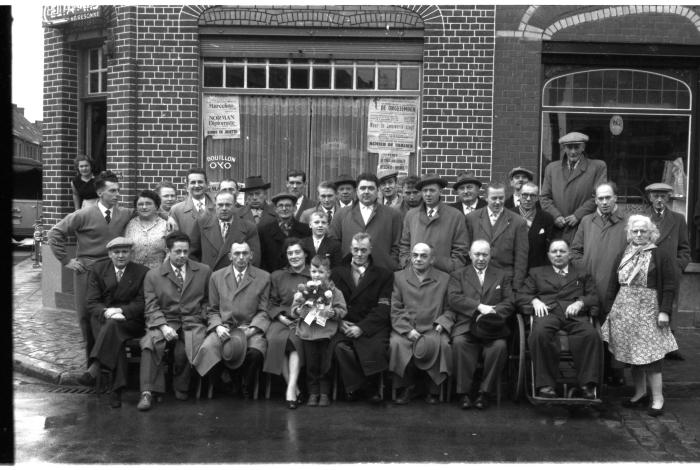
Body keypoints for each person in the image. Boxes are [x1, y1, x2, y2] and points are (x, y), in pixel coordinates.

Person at [48, 170, 132, 360]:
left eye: (118, 190)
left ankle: (111, 363)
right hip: (87, 270)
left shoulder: (124, 213)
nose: (117, 194)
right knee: (86, 316)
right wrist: (66, 260)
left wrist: (169, 217)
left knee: (110, 315)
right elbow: (55, 233)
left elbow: (148, 211)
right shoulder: (83, 214)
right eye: (112, 191)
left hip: (113, 270)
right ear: (100, 193)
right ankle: (91, 362)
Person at [603, 215, 678, 417]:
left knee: (651, 356)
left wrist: (664, 311)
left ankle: (658, 398)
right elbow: (613, 284)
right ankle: (640, 393)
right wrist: (610, 311)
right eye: (635, 231)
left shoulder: (659, 254)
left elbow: (669, 286)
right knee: (633, 354)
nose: (638, 234)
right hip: (624, 311)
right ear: (630, 233)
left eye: (643, 231)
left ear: (650, 232)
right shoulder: (623, 253)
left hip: (649, 311)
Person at [516, 239, 602, 399]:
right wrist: (534, 301)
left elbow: (594, 296)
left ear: (569, 255)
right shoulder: (537, 273)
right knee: (540, 334)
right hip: (548, 313)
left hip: (575, 315)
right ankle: (546, 385)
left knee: (591, 335)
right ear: (549, 255)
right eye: (554, 251)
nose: (558, 254)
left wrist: (581, 302)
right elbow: (521, 295)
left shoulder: (582, 274)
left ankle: (587, 385)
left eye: (562, 251)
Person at [137, 231, 211, 411]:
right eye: (177, 251)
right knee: (150, 344)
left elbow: (209, 301)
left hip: (192, 320)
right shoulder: (153, 275)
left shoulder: (203, 271)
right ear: (168, 251)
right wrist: (162, 326)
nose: (182, 256)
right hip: (165, 320)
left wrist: (203, 316)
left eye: (185, 251)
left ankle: (181, 386)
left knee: (188, 345)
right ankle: (147, 392)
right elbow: (151, 306)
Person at [193, 241, 271, 399]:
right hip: (225, 327)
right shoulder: (217, 276)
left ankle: (245, 386)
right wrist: (217, 327)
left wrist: (252, 330)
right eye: (237, 253)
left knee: (255, 353)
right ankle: (224, 384)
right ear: (230, 256)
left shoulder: (263, 277)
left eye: (245, 253)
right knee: (207, 349)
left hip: (249, 327)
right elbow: (212, 309)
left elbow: (264, 310)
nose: (241, 257)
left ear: (251, 256)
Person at [78, 237, 150, 408]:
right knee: (112, 333)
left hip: (130, 321)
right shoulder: (98, 269)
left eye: (125, 252)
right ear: (109, 254)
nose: (120, 256)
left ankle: (96, 366)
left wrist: (121, 311)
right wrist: (106, 311)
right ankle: (116, 391)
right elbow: (92, 301)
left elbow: (141, 303)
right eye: (116, 252)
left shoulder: (142, 272)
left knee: (112, 330)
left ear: (131, 253)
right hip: (104, 319)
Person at [448, 240, 514, 410]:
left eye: (485, 254)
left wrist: (493, 312)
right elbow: (454, 298)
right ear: (470, 255)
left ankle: (484, 393)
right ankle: (463, 393)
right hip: (466, 325)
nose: (481, 258)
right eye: (477, 254)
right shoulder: (458, 275)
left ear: (490, 255)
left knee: (499, 347)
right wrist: (479, 307)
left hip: (493, 328)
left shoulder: (502, 275)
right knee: (459, 344)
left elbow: (509, 302)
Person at [330, 232, 393, 403]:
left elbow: (383, 308)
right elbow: (329, 303)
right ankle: (357, 387)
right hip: (344, 323)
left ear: (370, 250)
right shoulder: (336, 273)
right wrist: (340, 322)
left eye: (363, 250)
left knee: (375, 347)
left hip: (371, 326)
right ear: (350, 249)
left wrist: (362, 328)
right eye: (356, 249)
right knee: (340, 347)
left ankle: (370, 388)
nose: (359, 254)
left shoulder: (384, 275)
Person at [389, 243, 454, 405]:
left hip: (434, 328)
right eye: (415, 255)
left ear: (432, 260)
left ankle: (433, 389)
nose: (418, 259)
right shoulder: (398, 277)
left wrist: (442, 323)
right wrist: (406, 330)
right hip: (407, 328)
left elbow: (451, 308)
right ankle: (406, 387)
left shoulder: (445, 279)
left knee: (444, 344)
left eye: (423, 256)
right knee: (396, 343)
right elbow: (394, 308)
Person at [643, 182, 691, 361]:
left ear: (669, 198)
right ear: (649, 198)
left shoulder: (678, 219)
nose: (659, 200)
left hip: (670, 271)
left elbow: (685, 249)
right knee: (650, 307)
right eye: (656, 196)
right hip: (648, 271)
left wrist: (678, 267)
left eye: (663, 196)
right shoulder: (643, 219)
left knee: (669, 306)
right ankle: (649, 345)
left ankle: (670, 346)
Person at [290, 255, 347, 407]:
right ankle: (313, 393)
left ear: (328, 273)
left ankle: (324, 393)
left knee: (325, 366)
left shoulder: (335, 292)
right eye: (314, 271)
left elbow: (343, 309)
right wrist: (300, 310)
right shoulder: (304, 291)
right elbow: (293, 310)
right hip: (308, 334)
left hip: (326, 334)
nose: (317, 275)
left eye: (321, 272)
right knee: (311, 366)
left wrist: (334, 313)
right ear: (310, 272)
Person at [263, 238, 310, 408]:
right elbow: (271, 302)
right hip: (281, 319)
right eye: (290, 253)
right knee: (275, 341)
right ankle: (294, 388)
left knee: (293, 341)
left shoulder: (314, 275)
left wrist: (302, 317)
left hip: (304, 320)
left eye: (297, 252)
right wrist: (280, 317)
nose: (294, 256)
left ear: (305, 254)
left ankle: (290, 388)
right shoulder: (277, 275)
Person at [540, 132, 608, 244]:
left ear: (583, 147)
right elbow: (544, 198)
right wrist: (556, 216)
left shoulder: (597, 167)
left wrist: (578, 215)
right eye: (569, 147)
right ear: (564, 148)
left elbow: (599, 196)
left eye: (576, 147)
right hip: (558, 230)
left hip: (584, 228)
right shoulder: (552, 168)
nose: (573, 151)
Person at [570, 182, 628, 314]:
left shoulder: (627, 221)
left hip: (617, 284)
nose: (604, 202)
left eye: (608, 197)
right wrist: (585, 268)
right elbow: (575, 251)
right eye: (600, 198)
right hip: (590, 283)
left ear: (615, 198)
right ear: (595, 200)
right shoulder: (586, 221)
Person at [329, 172, 403, 272]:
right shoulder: (341, 214)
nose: (366, 191)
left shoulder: (393, 215)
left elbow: (397, 246)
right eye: (363, 188)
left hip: (381, 274)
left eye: (371, 188)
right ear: (357, 191)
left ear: (377, 191)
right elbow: (333, 244)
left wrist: (390, 264)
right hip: (348, 273)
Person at [399, 173, 469, 273]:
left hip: (443, 276)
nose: (428, 194)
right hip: (415, 275)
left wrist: (449, 266)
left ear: (440, 191)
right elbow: (404, 245)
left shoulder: (455, 216)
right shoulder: (411, 215)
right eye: (424, 190)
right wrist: (408, 264)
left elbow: (460, 250)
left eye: (432, 190)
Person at [465, 182, 529, 289]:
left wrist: (516, 286)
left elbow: (521, 258)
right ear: (486, 198)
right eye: (494, 198)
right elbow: (466, 251)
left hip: (506, 281)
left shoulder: (518, 222)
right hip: (476, 280)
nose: (498, 202)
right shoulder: (472, 219)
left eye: (501, 198)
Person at [189, 191, 261, 271]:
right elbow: (192, 254)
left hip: (236, 279)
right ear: (215, 205)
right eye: (220, 205)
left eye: (228, 205)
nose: (224, 208)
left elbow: (254, 258)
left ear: (234, 205)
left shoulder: (248, 227)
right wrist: (200, 273)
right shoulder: (201, 223)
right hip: (209, 278)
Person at [258, 192, 312, 272]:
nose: (284, 209)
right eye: (281, 206)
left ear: (295, 208)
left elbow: (309, 256)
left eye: (288, 205)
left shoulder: (306, 230)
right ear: (275, 209)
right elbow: (262, 260)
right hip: (274, 277)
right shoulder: (264, 231)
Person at [507, 182, 554, 269]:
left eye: (532, 195)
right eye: (525, 195)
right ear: (519, 196)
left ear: (537, 198)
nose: (528, 199)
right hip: (513, 268)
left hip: (537, 269)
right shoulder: (507, 215)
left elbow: (549, 248)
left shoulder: (547, 218)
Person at [124, 190, 169, 270]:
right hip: (133, 273)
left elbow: (170, 252)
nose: (144, 207)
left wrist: (163, 272)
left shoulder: (166, 225)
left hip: (157, 273)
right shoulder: (129, 224)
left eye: (148, 204)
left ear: (156, 206)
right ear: (136, 207)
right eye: (140, 204)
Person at [167, 168, 215, 239]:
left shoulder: (218, 207)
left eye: (200, 182)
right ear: (186, 186)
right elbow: (172, 239)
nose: (197, 185)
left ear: (207, 184)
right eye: (193, 182)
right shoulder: (176, 210)